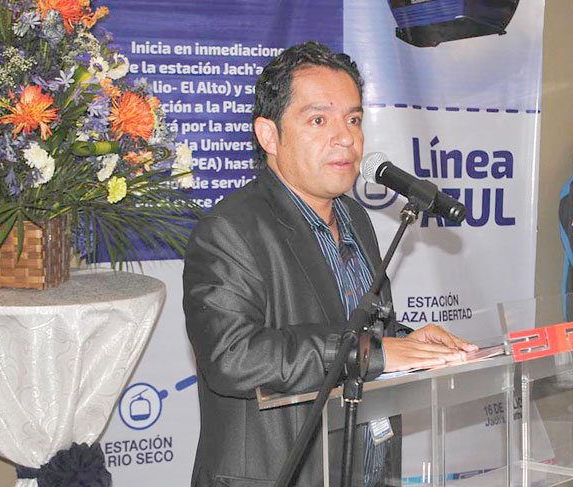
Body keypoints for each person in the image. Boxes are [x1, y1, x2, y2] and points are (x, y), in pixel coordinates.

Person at [183, 41, 476, 487]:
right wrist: (371, 354)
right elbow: (233, 357)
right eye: (319, 120)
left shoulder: (355, 217)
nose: (346, 138)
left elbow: (353, 325)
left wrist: (405, 341)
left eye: (353, 119)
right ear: (268, 135)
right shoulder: (229, 230)